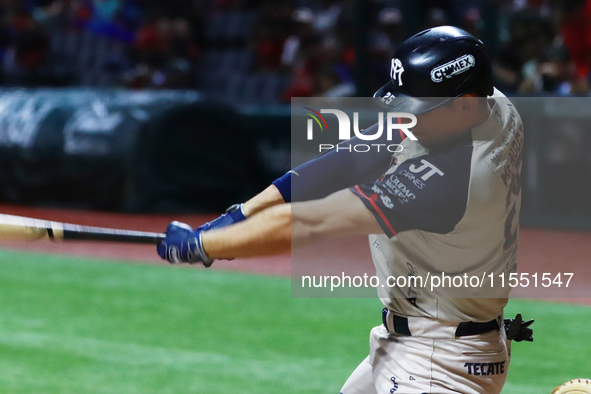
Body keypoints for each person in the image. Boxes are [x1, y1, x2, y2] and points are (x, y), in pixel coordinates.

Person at [157, 26, 533, 394]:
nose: (407, 120)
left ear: (465, 103)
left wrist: (207, 244)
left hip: (437, 364)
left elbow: (313, 221)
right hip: (421, 341)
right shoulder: (491, 105)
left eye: (418, 110)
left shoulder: (451, 179)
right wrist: (241, 214)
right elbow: (347, 159)